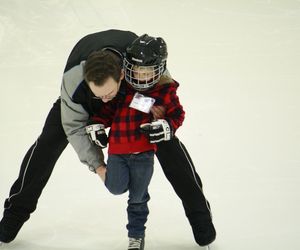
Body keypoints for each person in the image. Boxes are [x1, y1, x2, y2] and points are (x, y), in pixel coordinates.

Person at [0, 29, 216, 247]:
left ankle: (201, 218)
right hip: (84, 104)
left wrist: (165, 124)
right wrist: (98, 165)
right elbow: (74, 127)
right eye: (98, 94)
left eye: (107, 93)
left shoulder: (141, 61)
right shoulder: (75, 80)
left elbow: (166, 101)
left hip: (131, 99)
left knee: (168, 144)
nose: (103, 99)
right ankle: (13, 216)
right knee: (47, 144)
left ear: (124, 74)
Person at [84, 35, 185, 250]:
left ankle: (136, 236)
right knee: (115, 187)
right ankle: (124, 188)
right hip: (118, 152)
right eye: (136, 70)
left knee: (138, 199)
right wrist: (97, 125)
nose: (140, 75)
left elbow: (177, 114)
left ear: (158, 69)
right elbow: (107, 111)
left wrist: (167, 125)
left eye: (146, 71)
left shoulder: (165, 91)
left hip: (143, 155)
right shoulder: (123, 88)